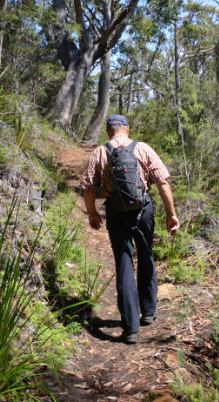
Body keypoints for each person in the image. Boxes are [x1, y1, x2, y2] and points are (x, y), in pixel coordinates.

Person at [80, 114, 180, 344]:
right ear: (127, 129)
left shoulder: (100, 152)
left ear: (108, 132)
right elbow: (163, 181)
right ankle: (149, 311)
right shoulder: (143, 148)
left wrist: (93, 213)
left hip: (116, 211)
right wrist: (171, 214)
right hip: (143, 209)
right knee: (146, 255)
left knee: (124, 263)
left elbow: (88, 187)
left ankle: (130, 328)